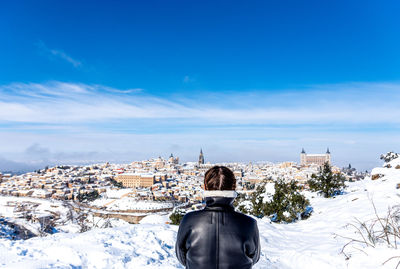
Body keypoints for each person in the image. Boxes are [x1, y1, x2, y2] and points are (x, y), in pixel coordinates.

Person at [175, 166, 261, 269]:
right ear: (233, 187)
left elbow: (181, 256)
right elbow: (254, 257)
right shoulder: (248, 223)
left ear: (205, 187)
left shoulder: (189, 220)